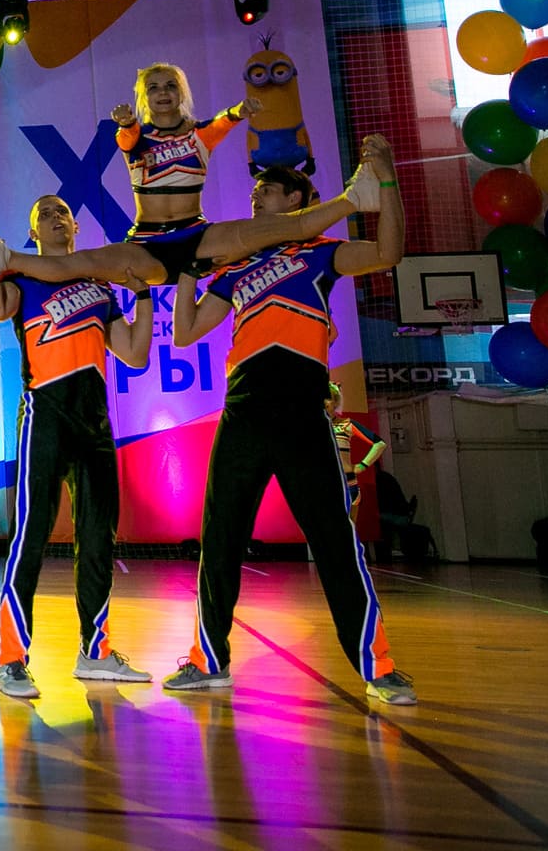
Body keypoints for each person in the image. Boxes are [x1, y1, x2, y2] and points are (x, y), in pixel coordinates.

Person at [165, 137, 416, 706]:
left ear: (299, 200)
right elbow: (185, 332)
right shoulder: (236, 267)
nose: (257, 197)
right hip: (242, 410)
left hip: (303, 411)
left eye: (268, 190)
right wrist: (187, 276)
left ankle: (378, 669)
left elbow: (389, 252)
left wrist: (388, 182)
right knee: (220, 538)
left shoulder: (322, 253)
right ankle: (208, 661)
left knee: (334, 539)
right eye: (255, 191)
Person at [0, 198, 155, 699]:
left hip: (94, 425)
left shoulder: (98, 285)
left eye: (61, 211)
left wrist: (143, 296)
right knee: (31, 536)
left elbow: (134, 354)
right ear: (33, 231)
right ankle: (11, 660)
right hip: (45, 418)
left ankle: (95, 652)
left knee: (98, 539)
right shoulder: (24, 277)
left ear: (75, 224)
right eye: (43, 214)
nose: (54, 217)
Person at [4, 63, 382, 288]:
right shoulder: (136, 137)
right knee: (83, 264)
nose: (163, 92)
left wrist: (240, 111)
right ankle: (5, 257)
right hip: (147, 244)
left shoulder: (199, 135)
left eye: (171, 86)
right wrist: (126, 121)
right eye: (153, 88)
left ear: (181, 93)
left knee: (282, 227)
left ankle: (355, 197)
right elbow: (126, 137)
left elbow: (222, 122)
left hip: (198, 238)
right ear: (144, 98)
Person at [327, 381, 386, 521]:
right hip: (323, 484)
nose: (324, 404)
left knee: (349, 528)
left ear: (335, 402)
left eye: (328, 399)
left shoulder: (347, 424)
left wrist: (362, 465)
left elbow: (380, 444)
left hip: (348, 484)